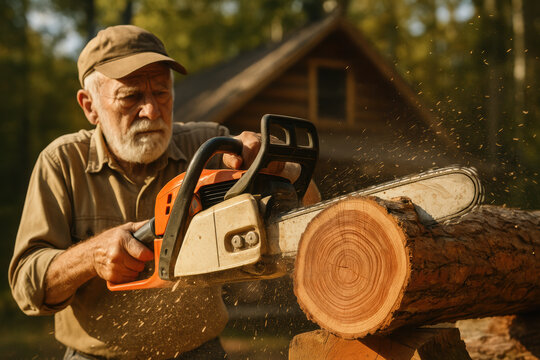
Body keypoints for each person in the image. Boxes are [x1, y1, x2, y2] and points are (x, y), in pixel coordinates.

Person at [9, 25, 320, 359]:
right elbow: (27, 282)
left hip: (199, 352)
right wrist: (90, 257)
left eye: (161, 93)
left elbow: (311, 210)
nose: (152, 111)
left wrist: (275, 167)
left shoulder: (208, 145)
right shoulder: (62, 163)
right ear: (90, 106)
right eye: (131, 97)